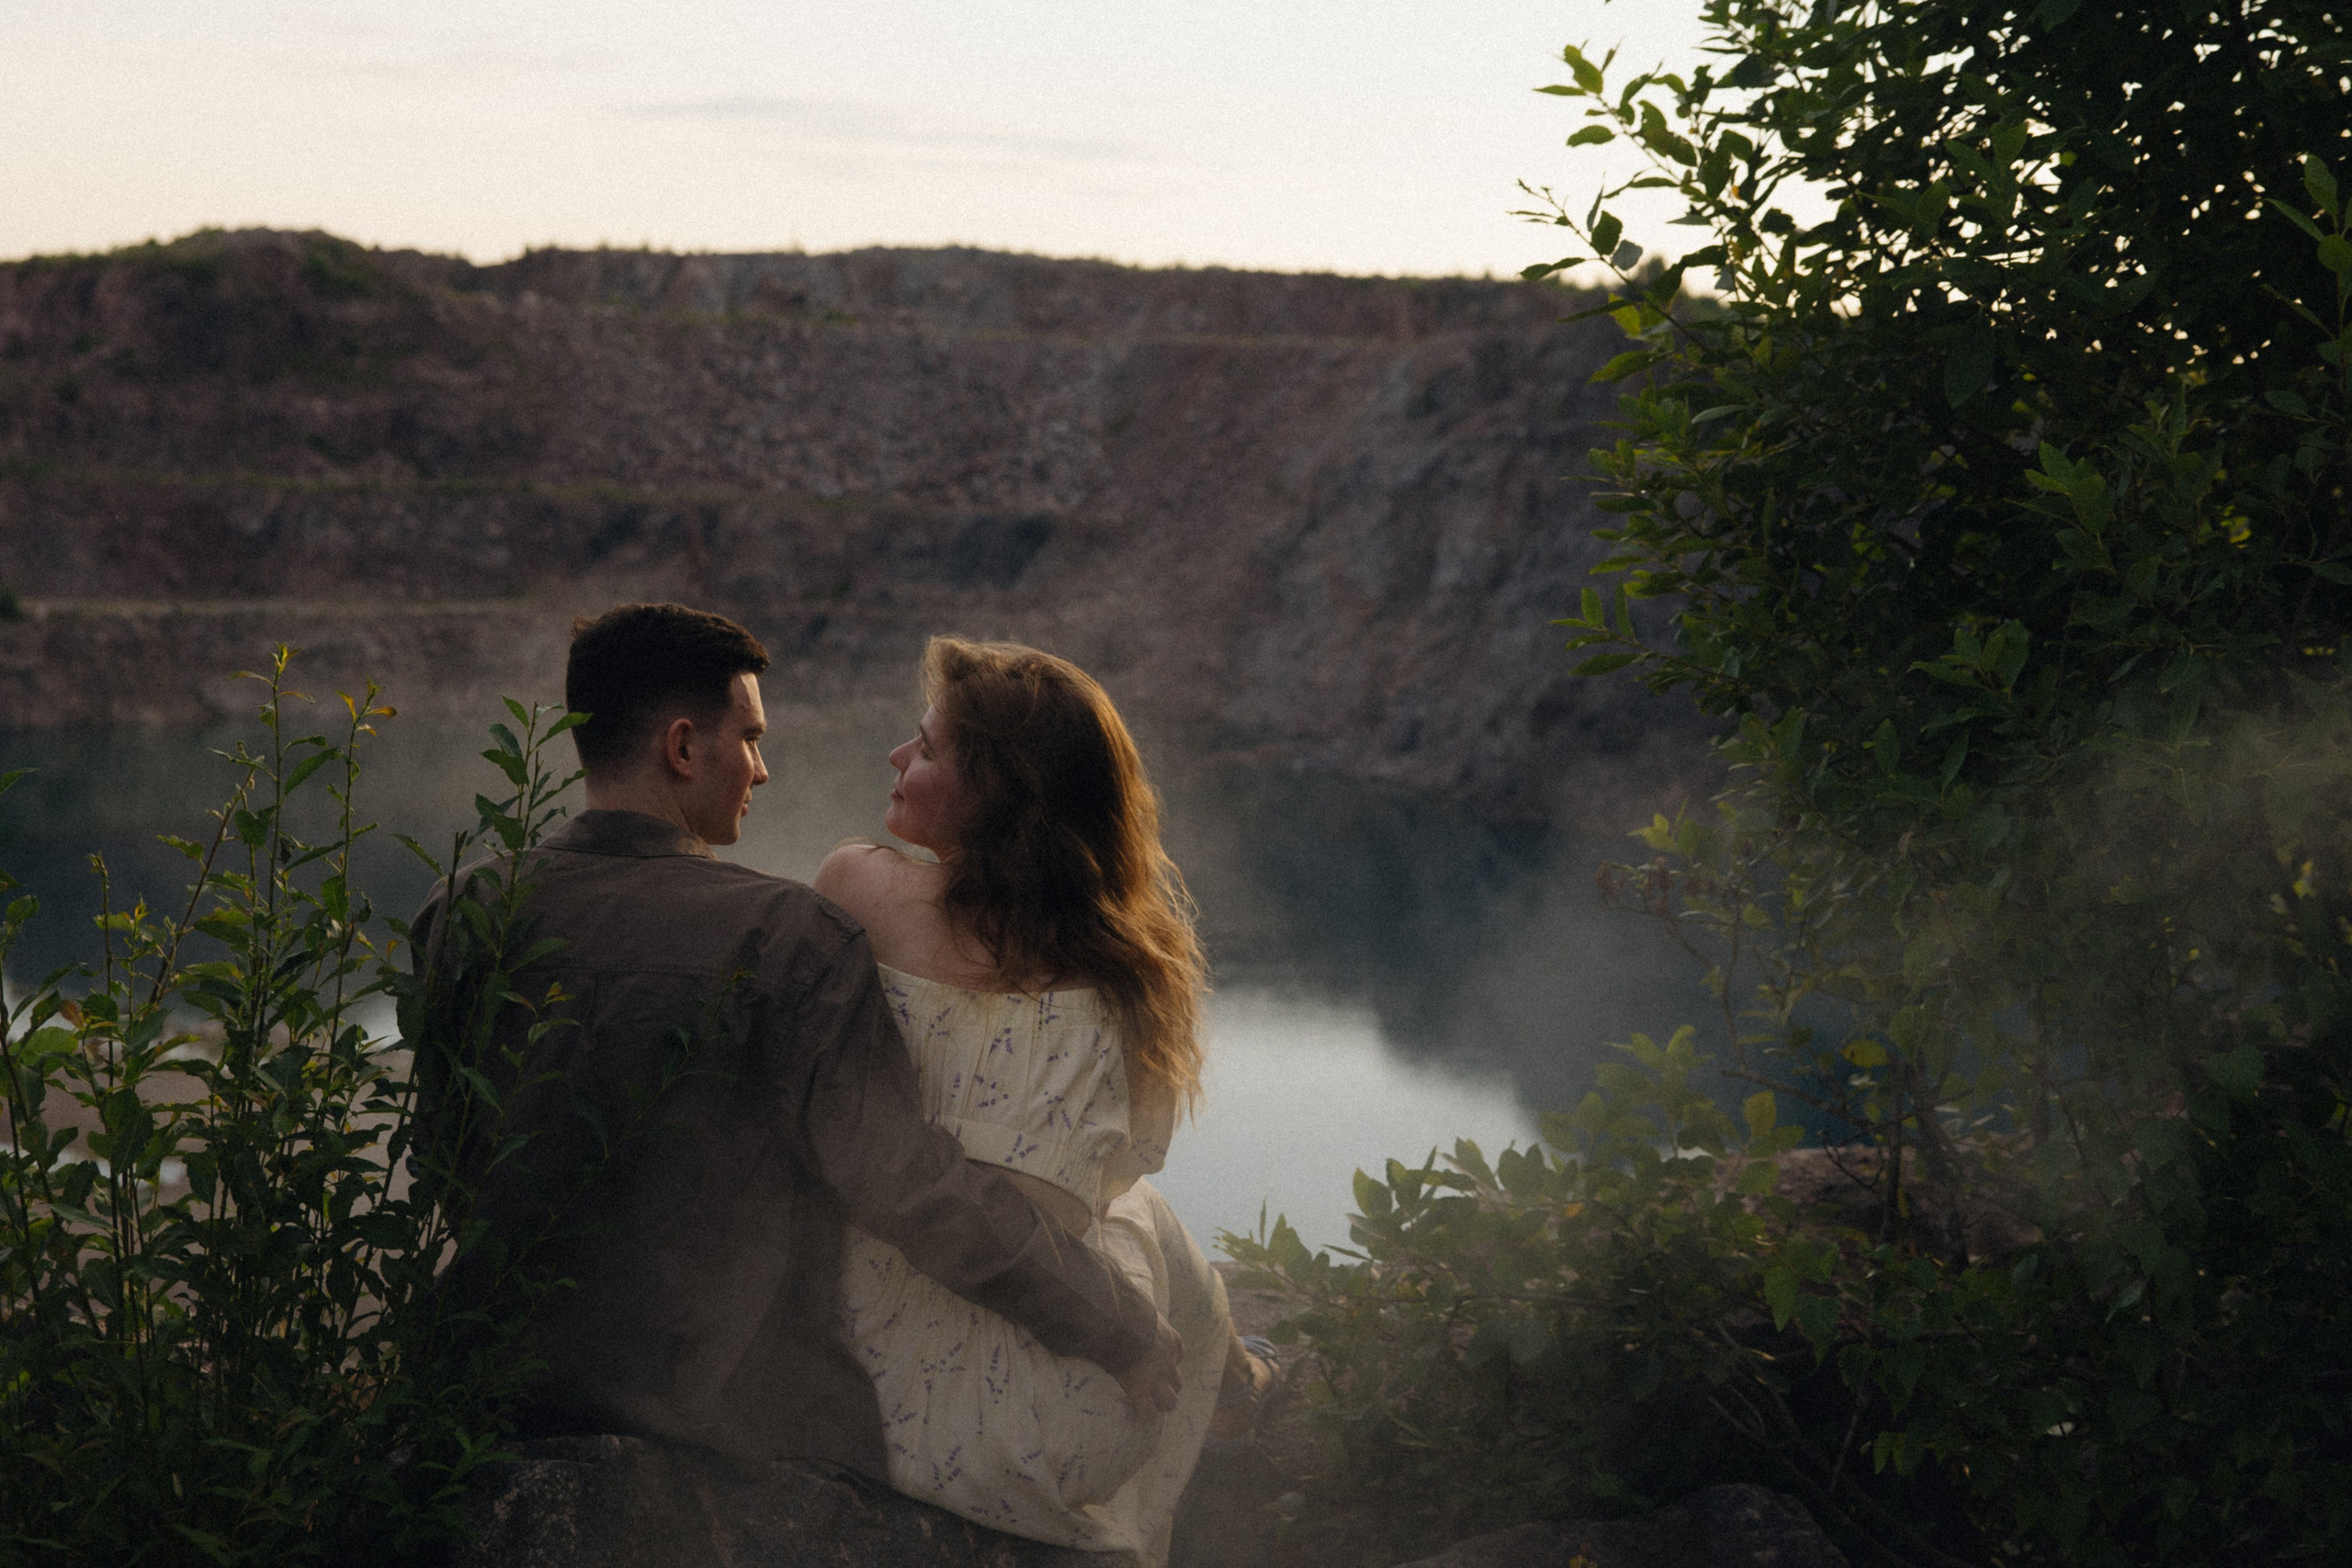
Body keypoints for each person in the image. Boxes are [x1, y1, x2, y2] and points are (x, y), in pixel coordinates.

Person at [413, 604, 1184, 1486]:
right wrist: (1116, 1326)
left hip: (488, 1384)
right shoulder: (787, 938)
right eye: (748, 737)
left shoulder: (462, 911)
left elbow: (448, 1156)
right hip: (714, 1408)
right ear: (680, 748)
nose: (764, 768)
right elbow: (910, 1186)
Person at [814, 636, 1278, 1566]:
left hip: (849, 1370)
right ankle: (1235, 1399)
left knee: (1125, 1225)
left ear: (998, 794)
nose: (898, 760)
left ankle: (1236, 1389)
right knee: (1143, 1230)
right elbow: (1073, 1211)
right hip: (1045, 1418)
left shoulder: (856, 887)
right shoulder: (1121, 979)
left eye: (928, 751)